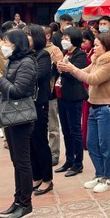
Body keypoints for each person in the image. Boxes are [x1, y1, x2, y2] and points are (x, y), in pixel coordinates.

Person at [0, 29, 38, 218]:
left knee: (23, 162)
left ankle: (26, 204)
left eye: (7, 42)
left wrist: (0, 79)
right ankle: (18, 200)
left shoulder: (27, 62)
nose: (3, 45)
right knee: (16, 161)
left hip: (21, 117)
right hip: (11, 115)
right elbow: (7, 87)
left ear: (17, 44)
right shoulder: (13, 61)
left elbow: (18, 90)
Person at [65, 32, 110, 193]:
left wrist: (73, 69)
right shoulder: (97, 60)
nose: (94, 47)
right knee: (91, 143)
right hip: (95, 106)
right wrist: (68, 68)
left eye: (97, 45)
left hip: (108, 108)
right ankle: (100, 174)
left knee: (106, 145)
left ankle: (108, 177)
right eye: (94, 44)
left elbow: (92, 79)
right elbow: (84, 71)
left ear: (106, 46)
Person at [22, 25, 54, 196]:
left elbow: (39, 76)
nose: (27, 38)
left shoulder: (43, 55)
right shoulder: (26, 55)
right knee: (29, 142)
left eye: (29, 35)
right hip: (26, 103)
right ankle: (37, 176)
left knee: (40, 141)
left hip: (39, 103)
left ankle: (47, 179)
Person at [54, 27, 88, 177]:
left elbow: (77, 74)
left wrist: (65, 69)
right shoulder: (65, 53)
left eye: (67, 38)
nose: (64, 41)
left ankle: (78, 162)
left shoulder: (80, 55)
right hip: (62, 95)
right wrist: (59, 68)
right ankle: (69, 159)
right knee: (66, 130)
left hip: (74, 96)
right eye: (63, 38)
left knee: (75, 130)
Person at [43, 26, 64, 166]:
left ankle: (54, 153)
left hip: (50, 93)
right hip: (36, 94)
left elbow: (60, 70)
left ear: (48, 36)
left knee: (53, 126)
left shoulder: (55, 50)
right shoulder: (32, 50)